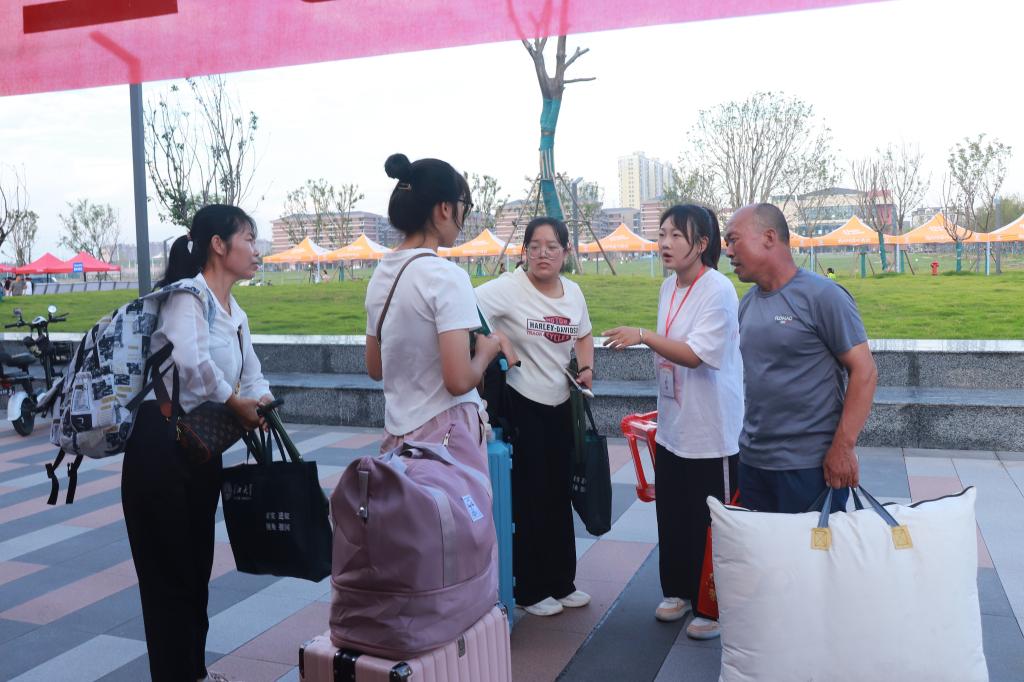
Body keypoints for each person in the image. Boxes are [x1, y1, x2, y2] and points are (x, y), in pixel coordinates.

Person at [121, 204, 273, 682]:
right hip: (159, 450)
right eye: (249, 238)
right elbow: (194, 365)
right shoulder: (187, 297)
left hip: (200, 450)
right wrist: (235, 402)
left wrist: (263, 402)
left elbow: (253, 374)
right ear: (219, 245)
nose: (256, 250)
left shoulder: (236, 313)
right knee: (167, 578)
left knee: (195, 571)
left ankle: (194, 672)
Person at [603, 205, 742, 640]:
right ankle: (678, 591)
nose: (664, 243)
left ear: (701, 244)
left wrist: (644, 335)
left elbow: (697, 354)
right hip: (674, 425)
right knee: (674, 514)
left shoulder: (717, 289)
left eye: (676, 236)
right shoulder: (669, 286)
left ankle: (712, 607)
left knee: (711, 519)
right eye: (662, 234)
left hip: (711, 430)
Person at [475, 216, 595, 618]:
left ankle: (562, 582)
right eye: (535, 246)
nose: (543, 254)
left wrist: (586, 368)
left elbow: (584, 333)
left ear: (566, 252)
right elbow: (464, 309)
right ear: (524, 251)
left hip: (561, 403)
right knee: (530, 496)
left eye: (552, 246)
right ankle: (529, 588)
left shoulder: (573, 292)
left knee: (559, 493)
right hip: (522, 403)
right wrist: (500, 340)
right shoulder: (509, 288)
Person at [724, 203, 877, 515]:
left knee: (811, 549)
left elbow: (865, 371)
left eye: (734, 240)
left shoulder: (823, 296)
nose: (728, 251)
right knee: (762, 548)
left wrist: (843, 447)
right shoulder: (748, 303)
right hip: (754, 463)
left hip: (809, 468)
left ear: (769, 237)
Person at [365, 152, 509, 456]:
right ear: (445, 208)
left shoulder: (380, 275)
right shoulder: (446, 276)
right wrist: (485, 353)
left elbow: (376, 368)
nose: (463, 215)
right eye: (464, 206)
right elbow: (458, 380)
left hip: (398, 441)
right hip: (446, 442)